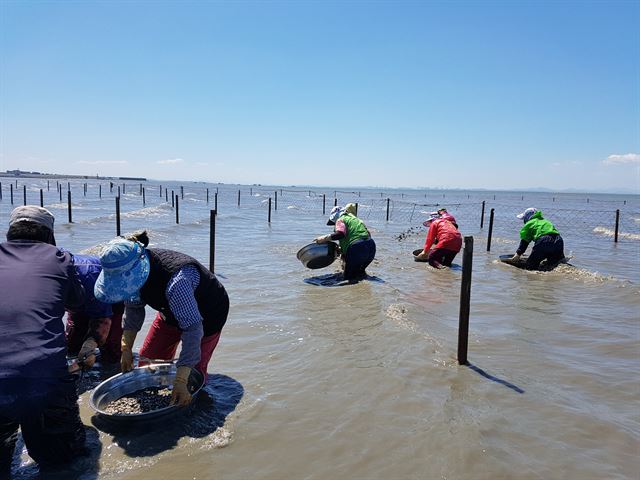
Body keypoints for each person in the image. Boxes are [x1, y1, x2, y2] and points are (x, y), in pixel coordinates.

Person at [94, 231, 229, 406]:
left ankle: (193, 406)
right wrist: (126, 346)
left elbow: (193, 329)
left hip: (208, 315)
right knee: (147, 364)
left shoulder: (177, 281)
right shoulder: (130, 273)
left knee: (193, 376)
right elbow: (133, 309)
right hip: (169, 311)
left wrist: (180, 380)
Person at [0, 206, 87, 475]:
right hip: (43, 377)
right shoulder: (60, 258)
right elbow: (77, 301)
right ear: (50, 236)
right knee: (62, 460)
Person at [65, 254, 124, 369]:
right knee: (71, 345)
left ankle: (110, 371)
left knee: (111, 349)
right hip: (76, 297)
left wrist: (91, 344)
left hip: (110, 295)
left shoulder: (92, 278)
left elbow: (103, 318)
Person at [315, 203, 376, 281]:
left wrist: (324, 238)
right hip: (371, 247)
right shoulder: (356, 219)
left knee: (348, 278)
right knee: (360, 273)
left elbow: (340, 234)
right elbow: (367, 234)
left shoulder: (340, 219)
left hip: (357, 248)